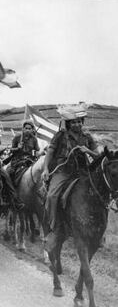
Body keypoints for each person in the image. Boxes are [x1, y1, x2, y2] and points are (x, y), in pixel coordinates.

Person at [42, 104, 98, 251]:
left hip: (83, 172)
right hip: (63, 172)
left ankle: (97, 227)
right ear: (68, 123)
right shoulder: (60, 135)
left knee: (98, 194)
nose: (77, 124)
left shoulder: (87, 137)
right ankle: (54, 227)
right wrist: (46, 168)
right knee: (52, 196)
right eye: (73, 122)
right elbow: (50, 151)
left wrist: (88, 151)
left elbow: (98, 155)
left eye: (79, 121)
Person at [6, 120, 40, 184]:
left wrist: (34, 137)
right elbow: (11, 150)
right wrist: (18, 148)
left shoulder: (34, 139)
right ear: (23, 129)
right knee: (10, 173)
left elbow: (37, 149)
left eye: (29, 129)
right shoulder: (17, 137)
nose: (27, 130)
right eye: (26, 128)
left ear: (32, 129)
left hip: (29, 160)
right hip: (17, 159)